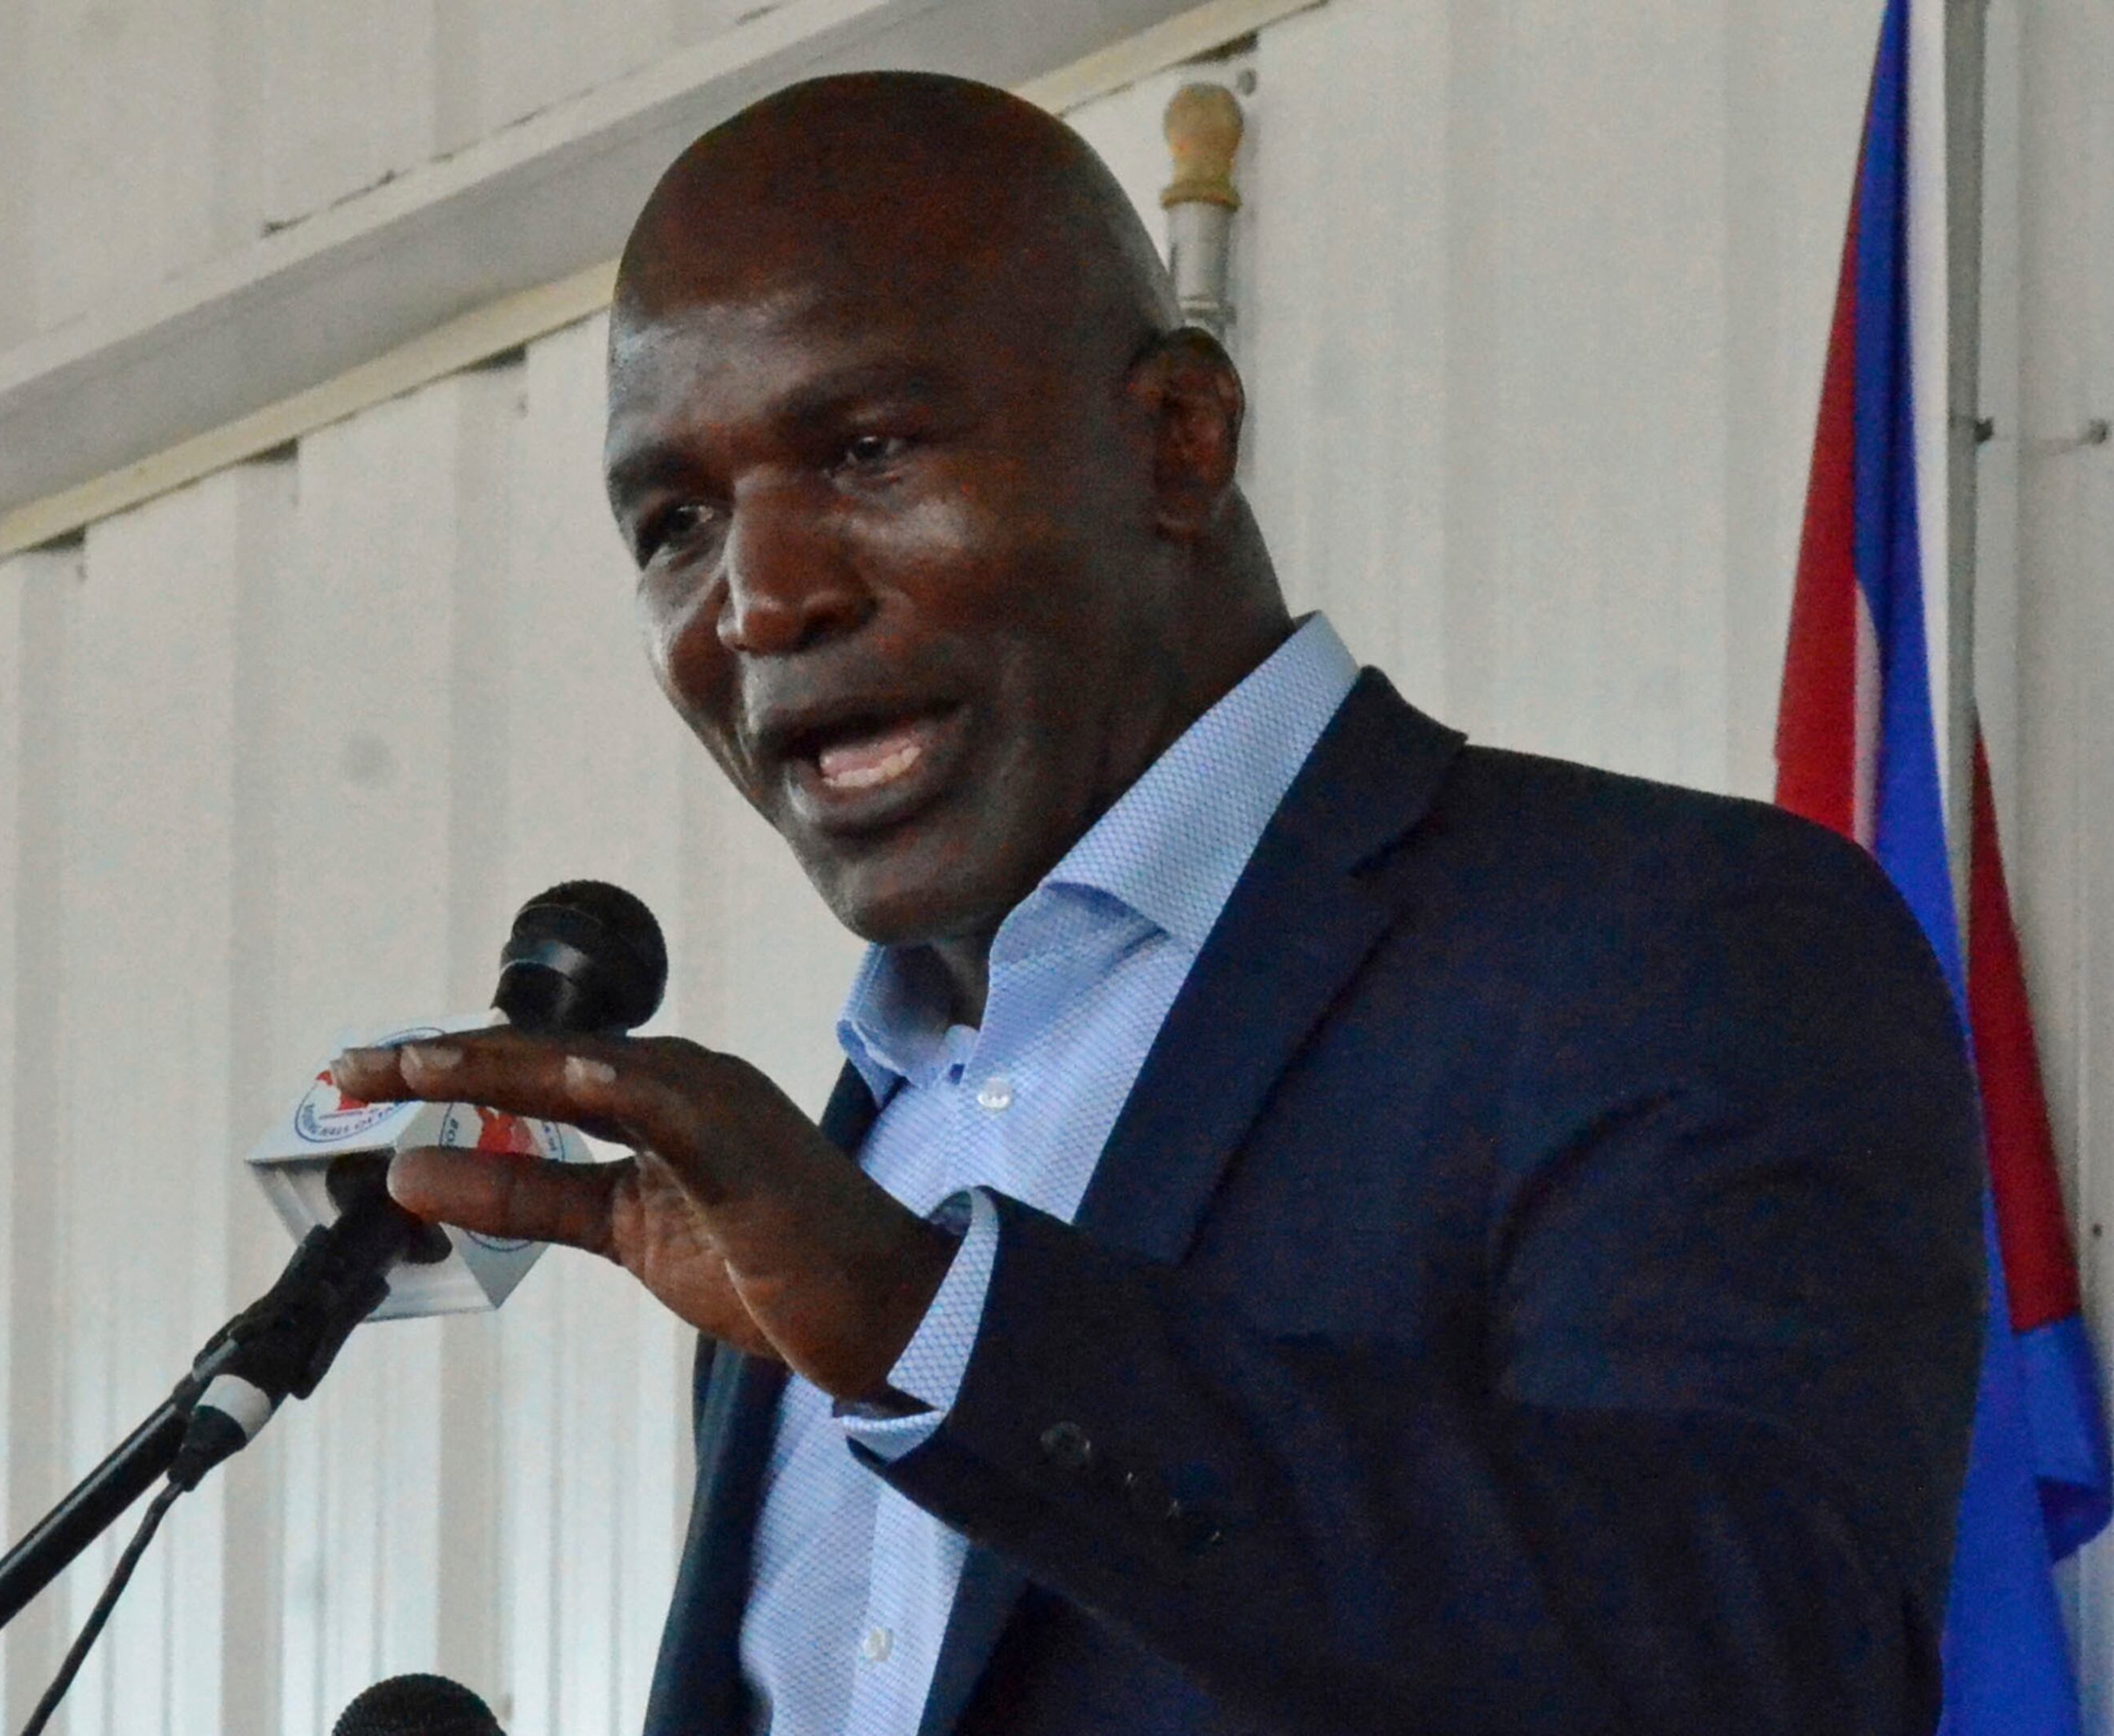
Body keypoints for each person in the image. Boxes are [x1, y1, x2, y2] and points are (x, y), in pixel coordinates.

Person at [328, 71, 1981, 1736]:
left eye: (869, 448)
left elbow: (1762, 1667)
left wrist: (941, 1328)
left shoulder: (1667, 939)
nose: (760, 603)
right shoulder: (836, 1181)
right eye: (674, 523)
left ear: (1178, 443)